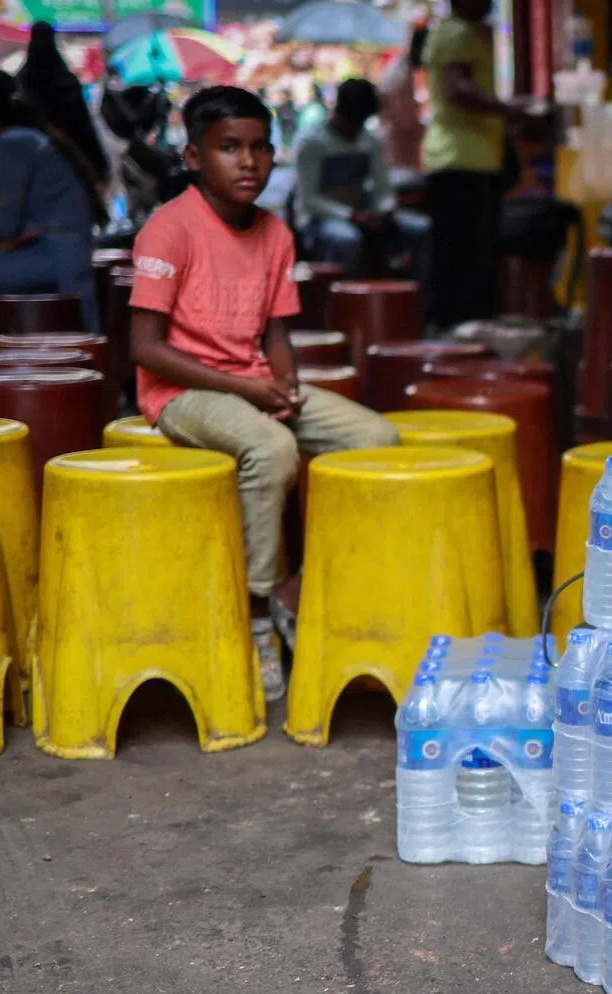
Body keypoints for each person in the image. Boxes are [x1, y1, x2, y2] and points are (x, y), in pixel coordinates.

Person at [128, 86, 399, 702]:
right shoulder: (169, 230)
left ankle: (306, 586)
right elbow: (144, 348)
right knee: (273, 450)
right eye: (229, 148)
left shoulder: (275, 233)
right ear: (195, 157)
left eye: (259, 148)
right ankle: (257, 609)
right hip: (181, 392)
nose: (248, 162)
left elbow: (276, 330)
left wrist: (286, 386)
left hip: (251, 381)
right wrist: (246, 389)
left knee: (377, 438)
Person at [0, 68, 104, 389]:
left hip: (52, 257)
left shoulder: (11, 143)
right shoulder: (30, 137)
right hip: (63, 254)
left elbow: (6, 227)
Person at [423, 0, 521, 330]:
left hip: (463, 158)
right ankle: (462, 332)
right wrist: (510, 109)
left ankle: (456, 327)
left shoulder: (456, 31)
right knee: (467, 257)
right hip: (462, 159)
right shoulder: (459, 33)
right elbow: (458, 89)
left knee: (460, 253)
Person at [294, 77, 429, 279]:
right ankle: (342, 303)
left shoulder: (370, 140)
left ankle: (415, 301)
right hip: (319, 220)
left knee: (422, 229)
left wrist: (385, 208)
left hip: (365, 215)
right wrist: (351, 215)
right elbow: (308, 200)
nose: (355, 129)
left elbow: (382, 187)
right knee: (347, 239)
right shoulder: (311, 143)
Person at [18, 21, 110, 186]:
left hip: (34, 166)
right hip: (71, 163)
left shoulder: (23, 82)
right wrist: (100, 166)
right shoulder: (66, 81)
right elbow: (83, 125)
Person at [379, 25, 427, 170]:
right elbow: (406, 121)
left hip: (399, 147)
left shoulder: (401, 71)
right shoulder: (400, 76)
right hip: (397, 149)